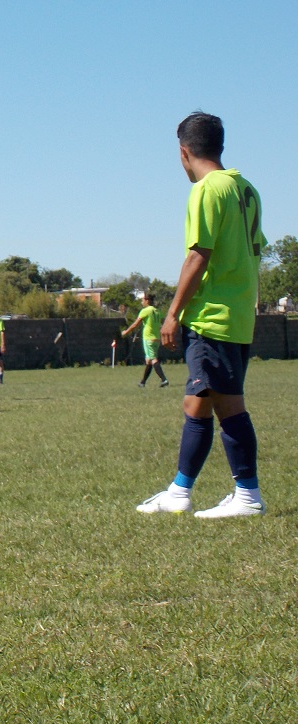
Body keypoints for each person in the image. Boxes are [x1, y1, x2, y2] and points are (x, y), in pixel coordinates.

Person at [137, 112, 267, 519]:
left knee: (229, 407)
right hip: (236, 315)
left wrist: (172, 313)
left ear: (184, 152)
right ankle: (180, 491)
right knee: (197, 404)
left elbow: (198, 254)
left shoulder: (208, 190)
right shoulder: (245, 189)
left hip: (214, 317)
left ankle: (247, 495)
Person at [121, 293, 168, 388]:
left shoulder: (145, 311)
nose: (142, 302)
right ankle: (143, 382)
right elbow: (165, 323)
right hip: (157, 338)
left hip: (148, 339)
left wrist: (126, 332)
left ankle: (164, 379)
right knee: (148, 361)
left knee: (153, 359)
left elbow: (135, 324)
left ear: (147, 300)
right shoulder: (157, 311)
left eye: (143, 300)